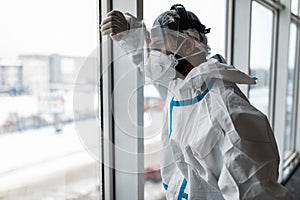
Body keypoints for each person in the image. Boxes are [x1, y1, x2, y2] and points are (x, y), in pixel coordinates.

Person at [100, 4, 290, 199]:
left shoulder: (228, 112)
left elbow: (254, 191)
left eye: (158, 46)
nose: (153, 55)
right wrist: (131, 34)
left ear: (189, 45)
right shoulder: (180, 88)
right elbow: (145, 60)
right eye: (151, 47)